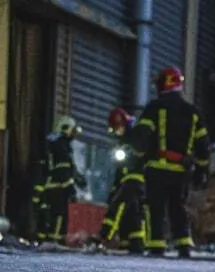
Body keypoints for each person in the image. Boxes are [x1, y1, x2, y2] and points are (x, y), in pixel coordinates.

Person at [130, 66, 211, 258]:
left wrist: (136, 155)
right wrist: (202, 169)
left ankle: (156, 245)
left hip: (157, 167)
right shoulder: (193, 112)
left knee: (155, 207)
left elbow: (141, 135)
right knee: (178, 207)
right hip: (181, 171)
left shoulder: (155, 107)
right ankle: (183, 245)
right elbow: (203, 144)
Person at [97, 107, 146, 254]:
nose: (117, 131)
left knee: (119, 204)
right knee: (133, 210)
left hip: (138, 176)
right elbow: (119, 169)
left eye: (118, 128)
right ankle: (133, 243)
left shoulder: (136, 133)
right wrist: (114, 187)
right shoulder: (122, 141)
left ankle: (104, 236)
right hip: (127, 178)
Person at [36, 116, 86, 244]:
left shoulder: (55, 143)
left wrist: (78, 178)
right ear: (65, 128)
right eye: (72, 130)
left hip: (50, 185)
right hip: (57, 186)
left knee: (49, 213)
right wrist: (70, 188)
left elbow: (68, 167)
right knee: (59, 214)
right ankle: (54, 240)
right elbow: (63, 169)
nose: (74, 134)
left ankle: (46, 239)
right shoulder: (61, 144)